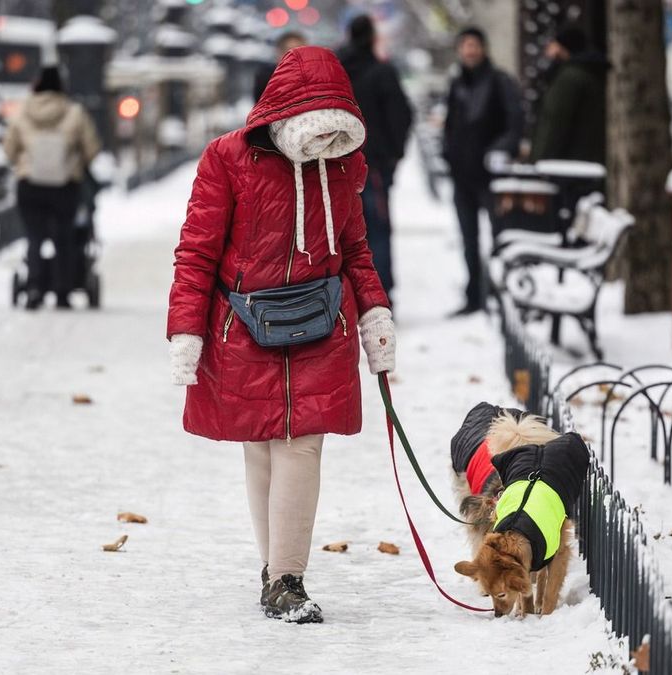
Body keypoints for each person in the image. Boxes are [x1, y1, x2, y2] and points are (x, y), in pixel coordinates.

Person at [166, 46, 395, 625]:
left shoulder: (343, 164)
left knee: (301, 444)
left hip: (322, 322)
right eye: (315, 131)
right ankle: (275, 573)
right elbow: (196, 251)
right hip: (244, 325)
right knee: (262, 445)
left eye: (335, 132)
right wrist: (186, 329)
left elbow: (356, 249)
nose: (325, 144)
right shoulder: (227, 159)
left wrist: (375, 315)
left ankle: (287, 577)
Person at [441, 27, 523, 315]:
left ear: (484, 48)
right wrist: (447, 154)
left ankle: (503, 295)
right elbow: (450, 124)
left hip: (491, 177)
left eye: (474, 45)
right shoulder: (456, 84)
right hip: (462, 175)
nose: (469, 51)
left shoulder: (500, 82)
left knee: (501, 237)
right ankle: (474, 296)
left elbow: (515, 123)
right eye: (465, 45)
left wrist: (500, 149)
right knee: (468, 240)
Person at [4, 66, 100, 310]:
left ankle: (35, 286)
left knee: (35, 237)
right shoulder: (74, 112)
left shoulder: (23, 111)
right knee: (64, 237)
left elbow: (9, 150)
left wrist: (26, 162)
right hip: (64, 186)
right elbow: (92, 149)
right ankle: (62, 291)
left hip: (30, 185)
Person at [337, 15, 413, 305]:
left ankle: (347, 294)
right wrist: (394, 154)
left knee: (341, 231)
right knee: (377, 229)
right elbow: (401, 115)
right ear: (371, 37)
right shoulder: (381, 72)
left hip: (337, 164)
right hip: (373, 165)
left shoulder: (338, 72)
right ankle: (379, 295)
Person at [530, 25, 607, 164]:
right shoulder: (588, 73)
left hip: (567, 164)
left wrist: (539, 161)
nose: (548, 51)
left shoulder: (569, 78)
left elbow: (554, 121)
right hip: (583, 160)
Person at [253, 31, 306, 103]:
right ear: (279, 52)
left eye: (300, 51)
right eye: (290, 51)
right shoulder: (266, 77)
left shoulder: (315, 76)